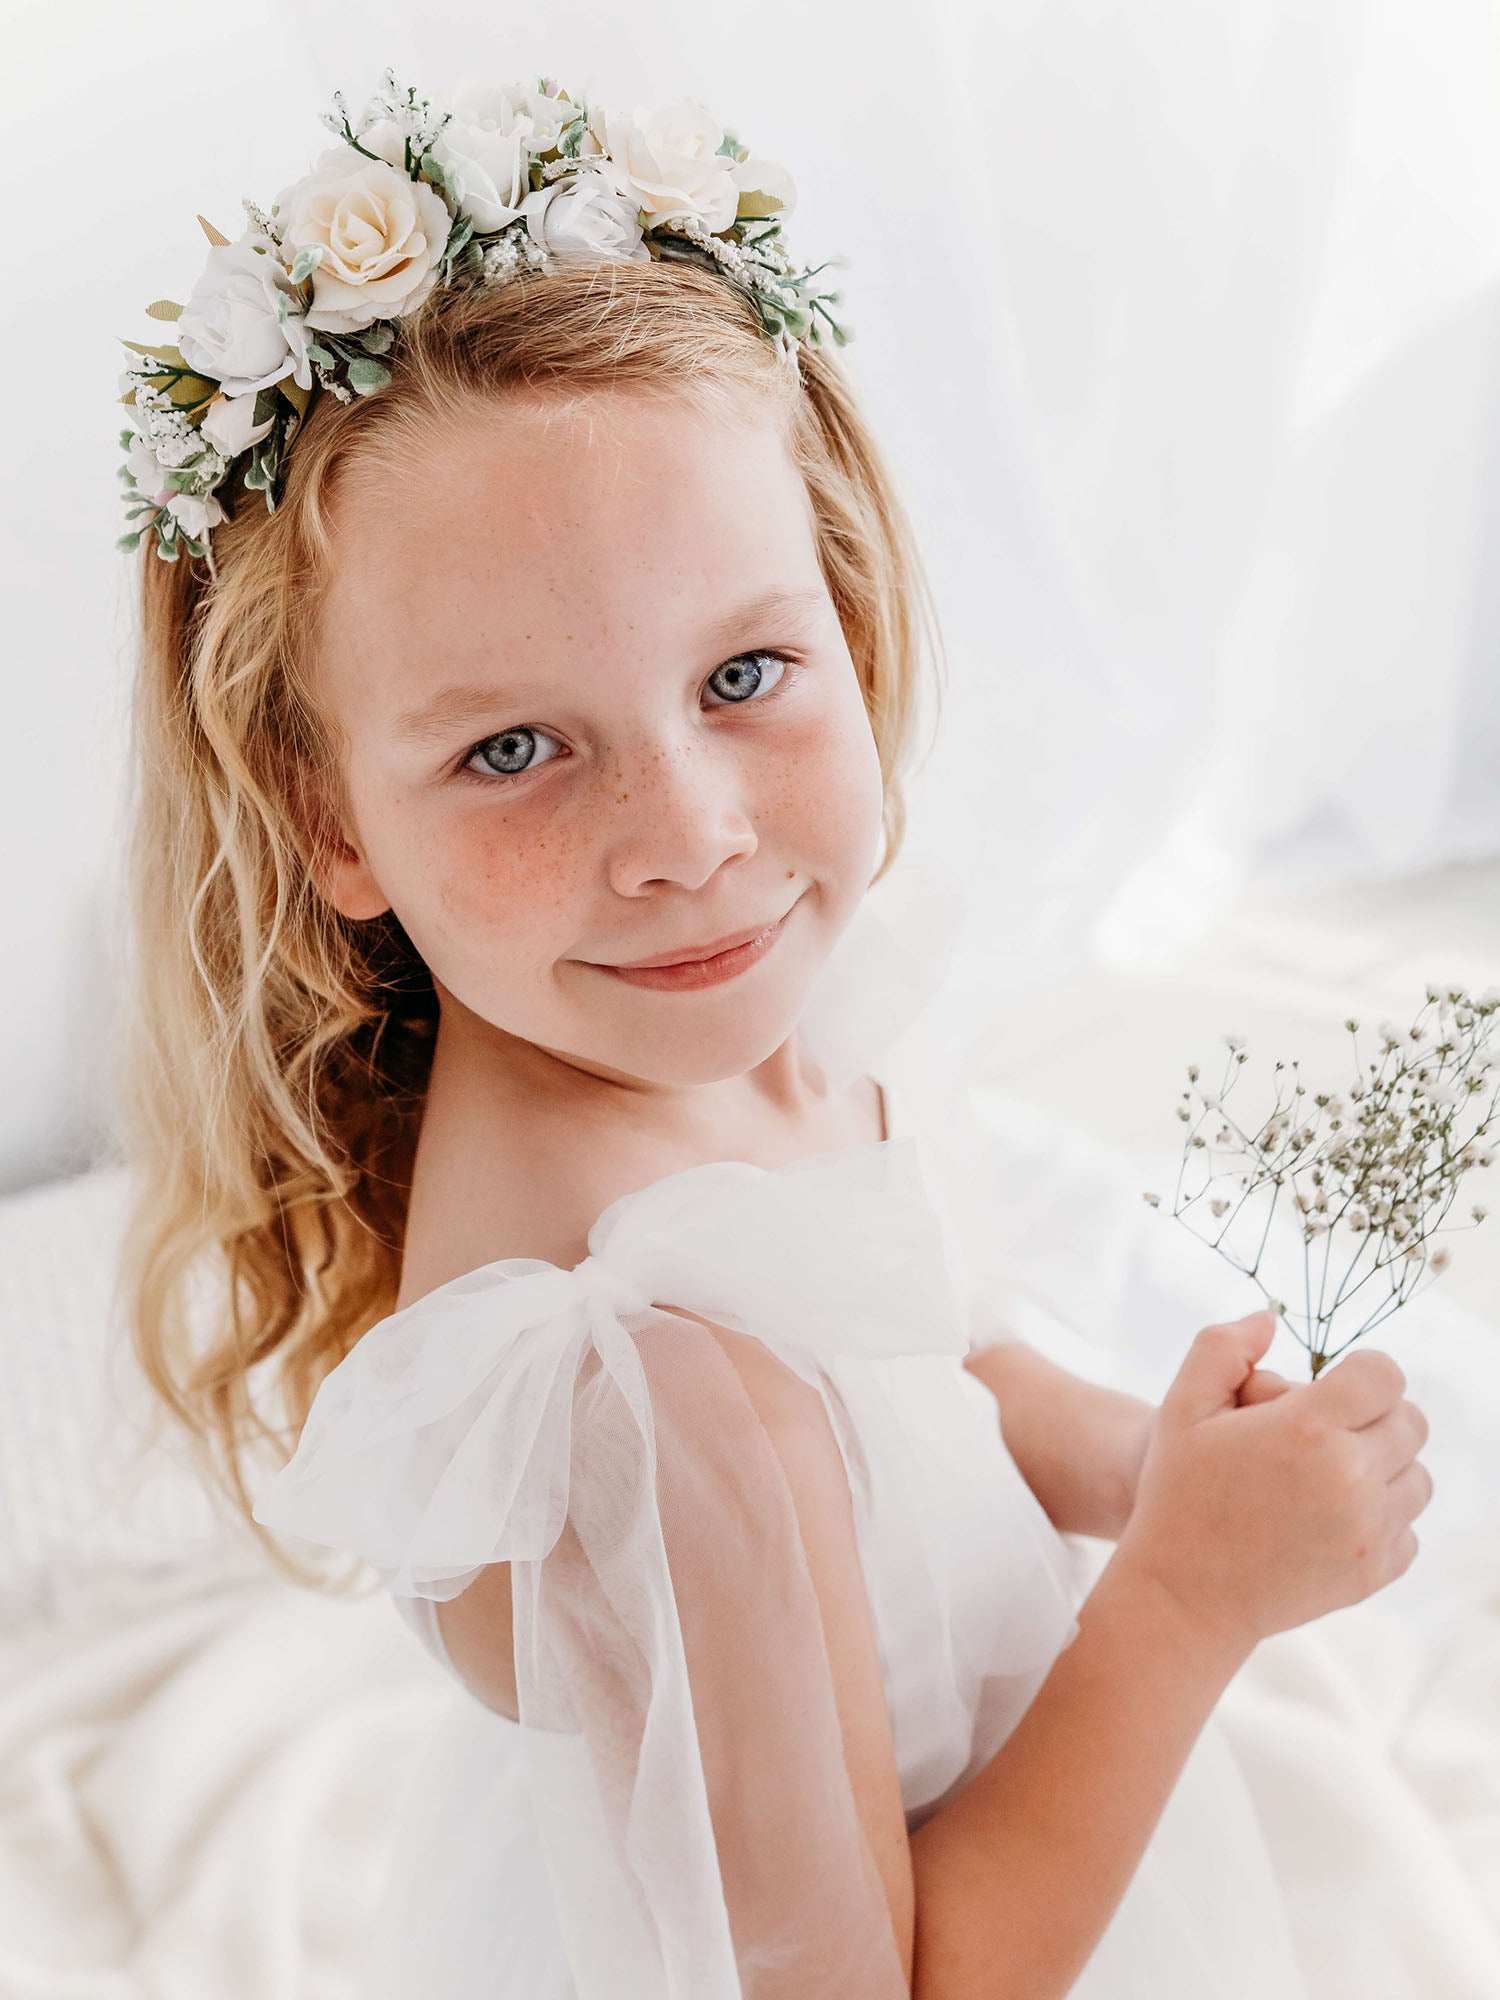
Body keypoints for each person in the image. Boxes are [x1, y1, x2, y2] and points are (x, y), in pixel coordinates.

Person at [114, 72, 1439, 1999]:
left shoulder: (738, 1033)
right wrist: (1182, 1601)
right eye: (509, 749)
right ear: (326, 818)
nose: (693, 841)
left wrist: (1148, 1469)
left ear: (847, 614)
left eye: (743, 674)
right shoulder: (658, 1387)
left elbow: (935, 1336)